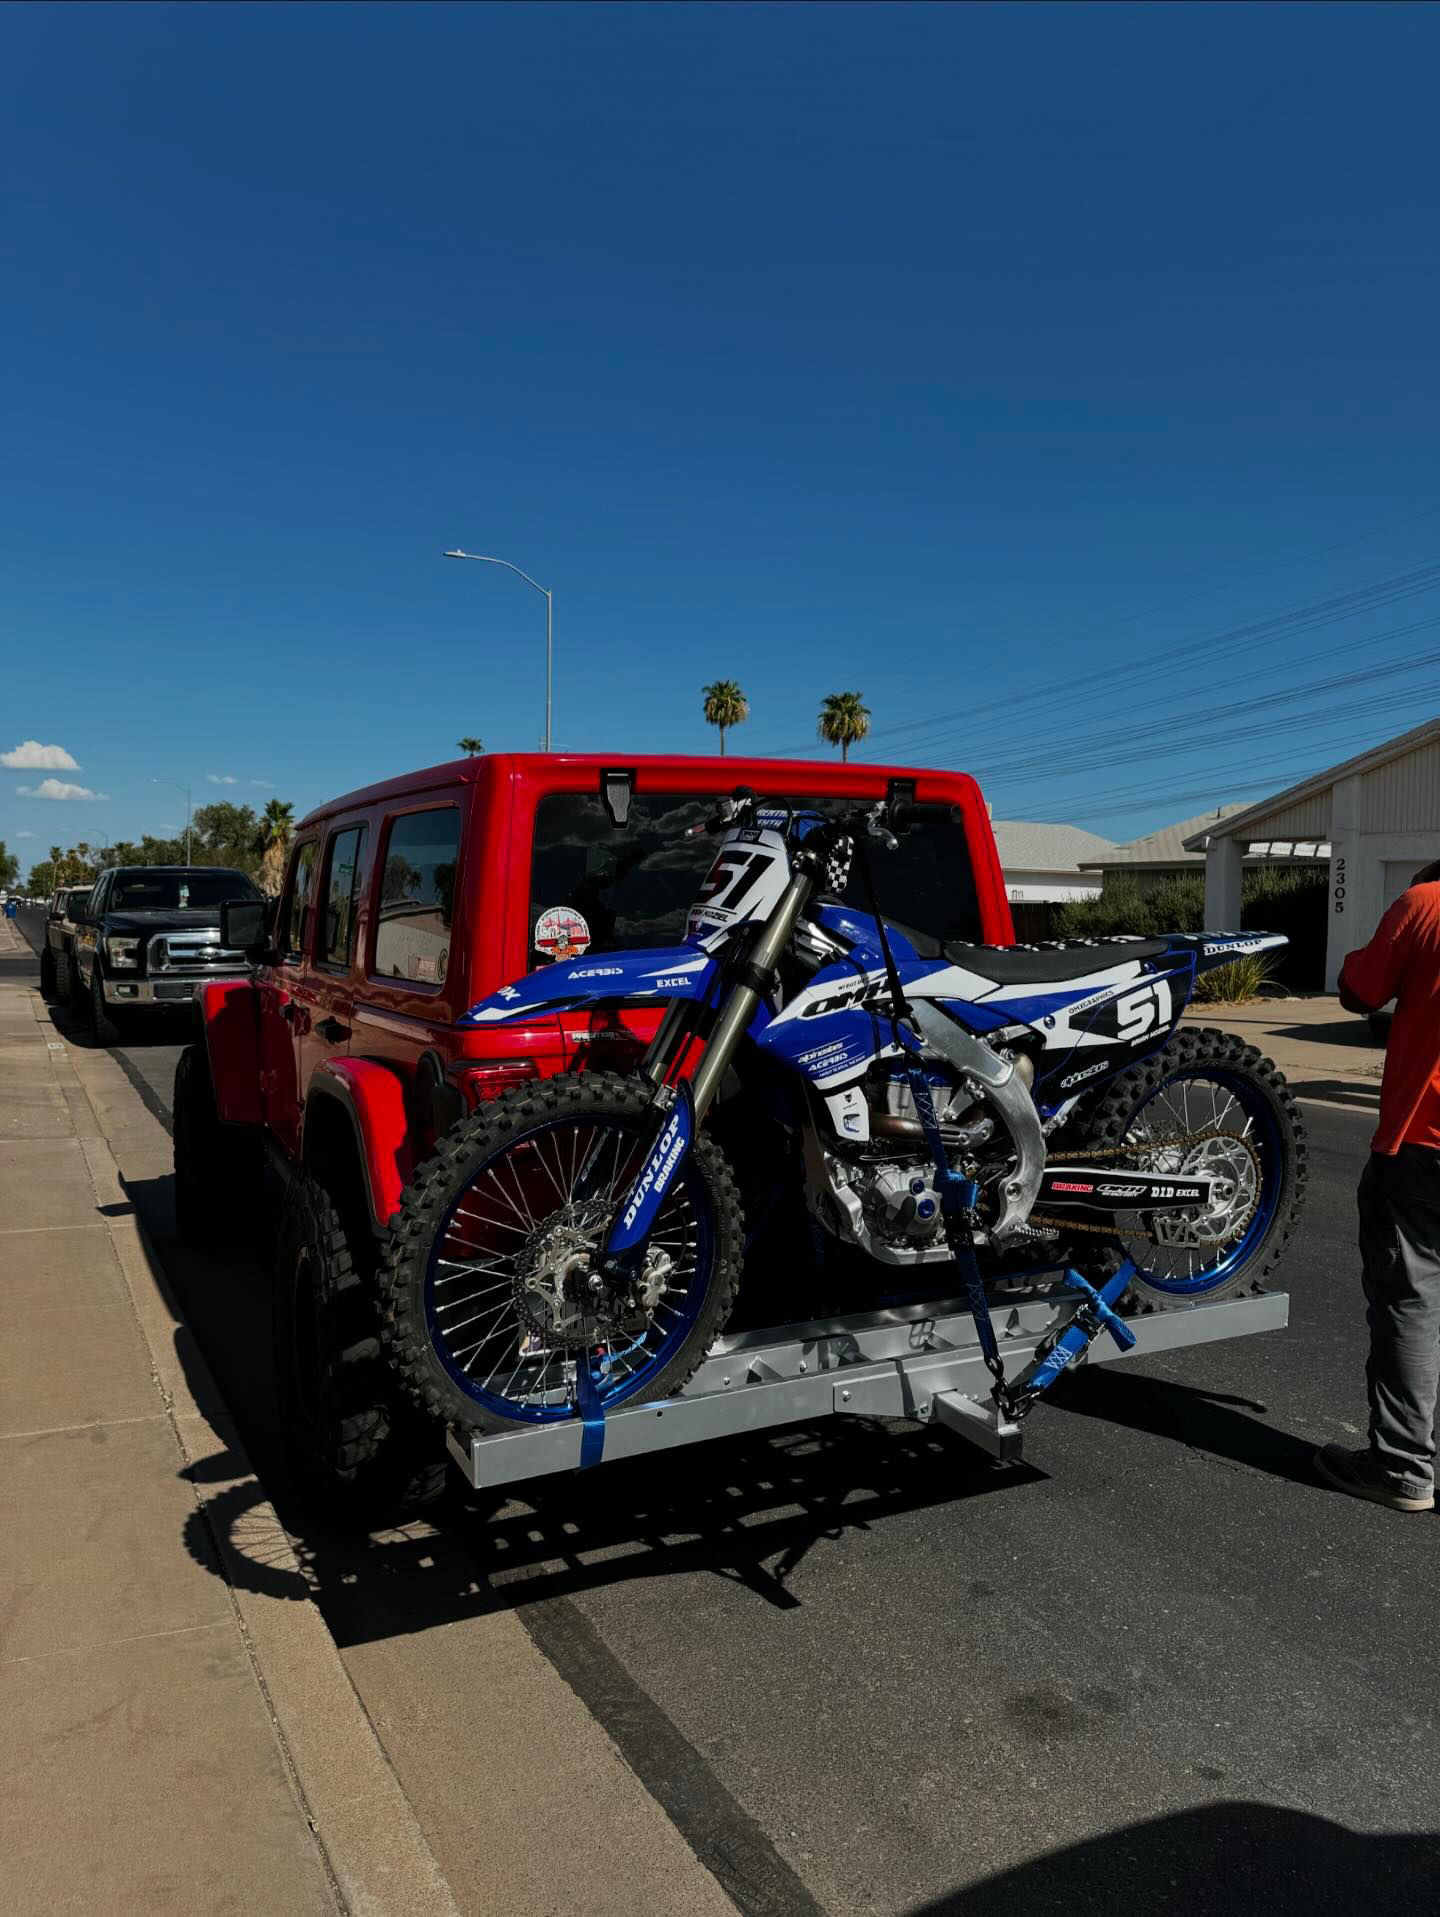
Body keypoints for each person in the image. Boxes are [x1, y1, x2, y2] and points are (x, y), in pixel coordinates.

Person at [1316, 859, 1440, 1511]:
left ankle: (1401, 1466)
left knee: (1411, 1299)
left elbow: (1360, 990)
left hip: (1425, 1141)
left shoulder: (1425, 902)